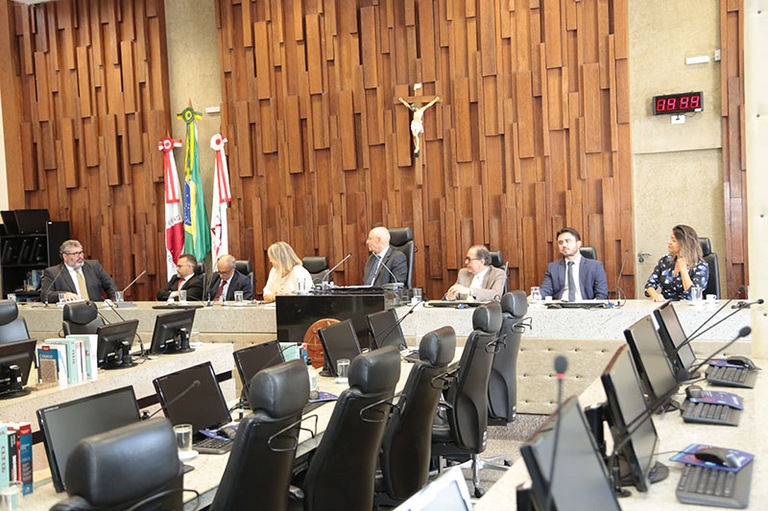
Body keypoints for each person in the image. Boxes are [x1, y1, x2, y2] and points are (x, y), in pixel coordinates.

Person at [540, 227, 609, 300]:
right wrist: (536, 296)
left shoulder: (595, 266)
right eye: (560, 242)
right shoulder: (553, 268)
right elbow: (545, 290)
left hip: (585, 306)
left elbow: (602, 294)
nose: (564, 245)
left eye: (567, 241)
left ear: (578, 244)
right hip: (560, 306)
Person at [40, 239, 119, 303]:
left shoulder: (94, 266)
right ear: (65, 256)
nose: (80, 256)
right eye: (76, 254)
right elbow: (45, 295)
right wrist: (64, 295)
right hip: (72, 312)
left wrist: (115, 302)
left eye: (81, 252)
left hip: (96, 310)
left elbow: (111, 286)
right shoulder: (54, 273)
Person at [645, 224, 709, 302]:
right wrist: (655, 295)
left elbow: (693, 296)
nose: (669, 242)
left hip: (689, 307)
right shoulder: (665, 261)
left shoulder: (701, 266)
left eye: (673, 240)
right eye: (670, 239)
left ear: (684, 244)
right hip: (667, 306)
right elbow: (649, 284)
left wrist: (683, 270)